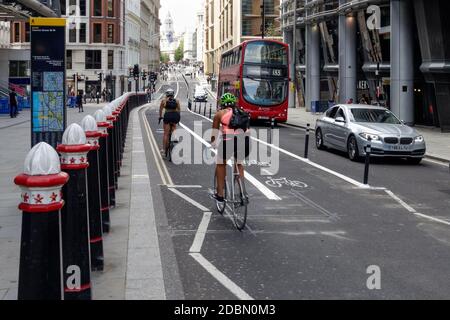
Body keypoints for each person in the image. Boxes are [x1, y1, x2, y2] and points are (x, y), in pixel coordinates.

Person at [210, 93, 250, 204]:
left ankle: (220, 195)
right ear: (234, 104)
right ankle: (242, 193)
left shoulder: (219, 114)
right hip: (244, 141)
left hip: (229, 142)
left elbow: (214, 132)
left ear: (222, 104)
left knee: (220, 163)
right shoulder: (243, 112)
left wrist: (213, 143)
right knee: (239, 164)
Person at [159, 89, 181, 154]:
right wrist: (178, 118)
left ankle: (163, 149)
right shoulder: (177, 101)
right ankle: (175, 136)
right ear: (173, 94)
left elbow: (160, 110)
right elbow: (179, 110)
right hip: (175, 116)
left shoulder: (164, 101)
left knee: (166, 133)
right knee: (174, 125)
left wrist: (160, 116)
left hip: (167, 116)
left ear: (166, 94)